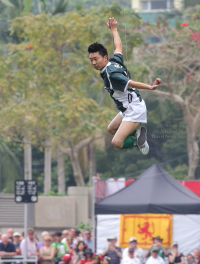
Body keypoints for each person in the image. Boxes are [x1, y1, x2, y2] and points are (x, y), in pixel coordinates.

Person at [88, 17, 162, 155]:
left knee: (117, 142)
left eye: (95, 59)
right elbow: (119, 47)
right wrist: (114, 29)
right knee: (111, 128)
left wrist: (150, 87)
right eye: (91, 60)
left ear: (104, 58)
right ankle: (138, 135)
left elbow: (130, 82)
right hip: (127, 108)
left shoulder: (111, 74)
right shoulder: (113, 61)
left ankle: (138, 141)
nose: (93, 63)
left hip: (134, 109)